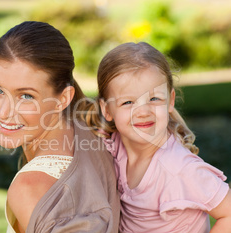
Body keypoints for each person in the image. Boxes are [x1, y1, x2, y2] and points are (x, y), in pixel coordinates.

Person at [0, 21, 120, 233]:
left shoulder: (29, 189)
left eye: (26, 96)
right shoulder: (89, 130)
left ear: (63, 98)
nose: (3, 112)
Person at [83, 41, 231, 232]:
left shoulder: (179, 169)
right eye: (128, 102)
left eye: (154, 99)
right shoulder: (115, 144)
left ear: (170, 101)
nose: (143, 111)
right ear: (107, 110)